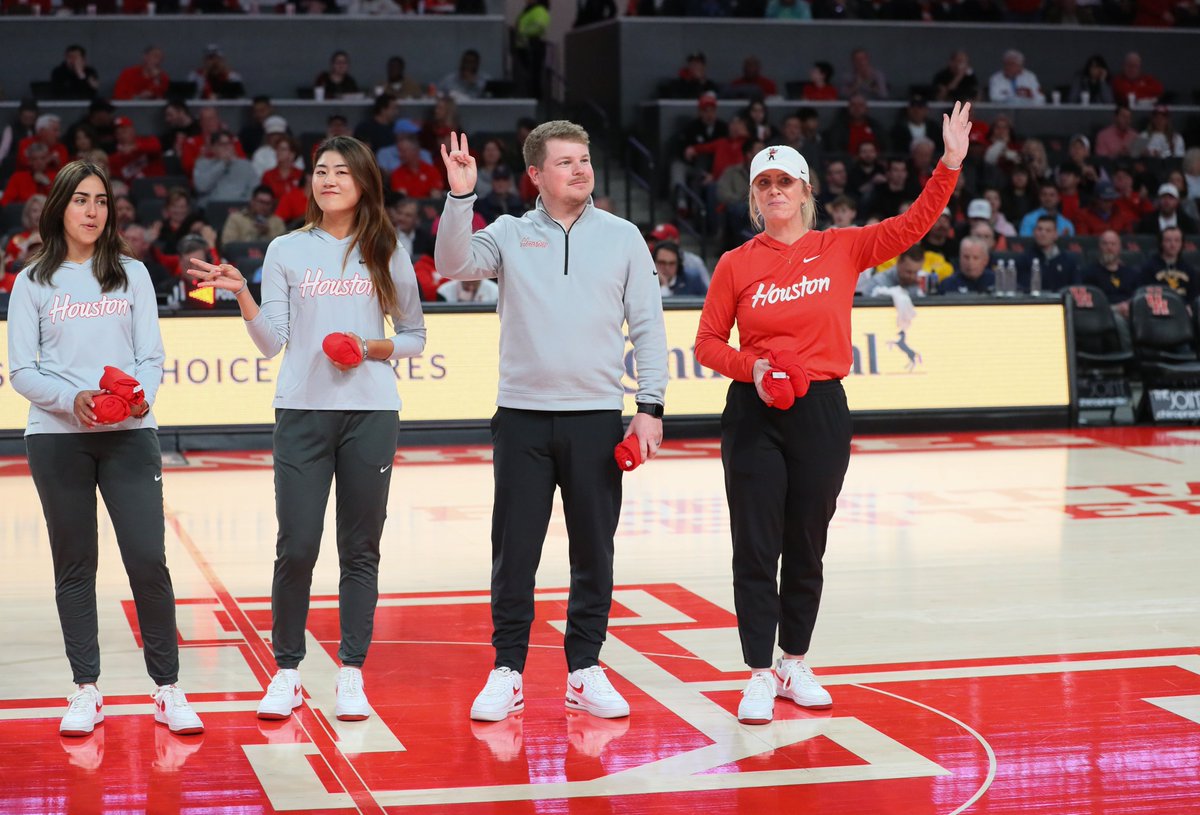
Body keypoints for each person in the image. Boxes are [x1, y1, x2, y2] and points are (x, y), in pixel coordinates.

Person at [692, 102, 972, 725]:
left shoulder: (841, 248)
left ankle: (795, 661)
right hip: (754, 410)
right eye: (763, 184)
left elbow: (912, 225)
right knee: (756, 543)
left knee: (807, 541)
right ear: (755, 198)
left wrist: (949, 164)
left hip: (821, 407)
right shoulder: (737, 262)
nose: (773, 191)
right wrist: (754, 369)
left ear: (805, 191)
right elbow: (708, 343)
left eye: (783, 181)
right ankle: (759, 672)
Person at [187, 136, 427, 723]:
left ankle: (351, 673)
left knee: (359, 549)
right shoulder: (286, 249)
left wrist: (371, 348)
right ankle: (287, 672)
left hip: (371, 412)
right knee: (295, 545)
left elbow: (415, 335)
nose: (328, 180)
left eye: (342, 172)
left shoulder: (387, 250)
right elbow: (272, 341)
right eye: (321, 170)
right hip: (301, 411)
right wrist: (243, 292)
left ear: (365, 181)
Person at [435, 122, 668, 723]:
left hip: (596, 418)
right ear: (536, 175)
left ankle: (584, 669)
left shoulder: (623, 237)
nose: (581, 170)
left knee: (595, 550)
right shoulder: (510, 233)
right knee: (515, 553)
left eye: (585, 160)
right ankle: (507, 670)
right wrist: (462, 197)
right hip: (522, 419)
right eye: (565, 162)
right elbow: (452, 262)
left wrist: (649, 407)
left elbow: (647, 325)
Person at [6, 160, 204, 738]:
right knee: (75, 566)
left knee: (148, 560)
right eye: (80, 200)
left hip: (131, 438)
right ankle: (86, 689)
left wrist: (139, 398)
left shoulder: (132, 274)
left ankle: (167, 689)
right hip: (58, 438)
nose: (92, 211)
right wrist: (75, 399)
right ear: (59, 207)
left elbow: (150, 356)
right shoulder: (32, 281)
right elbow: (21, 370)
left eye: (101, 201)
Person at [1139, 225, 1198, 300]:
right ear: (1161, 243)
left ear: (1182, 244)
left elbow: (1194, 297)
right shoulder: (1148, 268)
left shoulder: (1189, 270)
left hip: (1184, 309)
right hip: (1159, 308)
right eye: (1168, 240)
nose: (1173, 245)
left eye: (1177, 240)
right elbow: (1145, 295)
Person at [220, 185, 286, 246]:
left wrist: (268, 232)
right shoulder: (236, 218)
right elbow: (227, 244)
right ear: (252, 201)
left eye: (268, 203)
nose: (264, 206)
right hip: (241, 257)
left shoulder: (277, 221)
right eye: (261, 202)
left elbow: (283, 247)